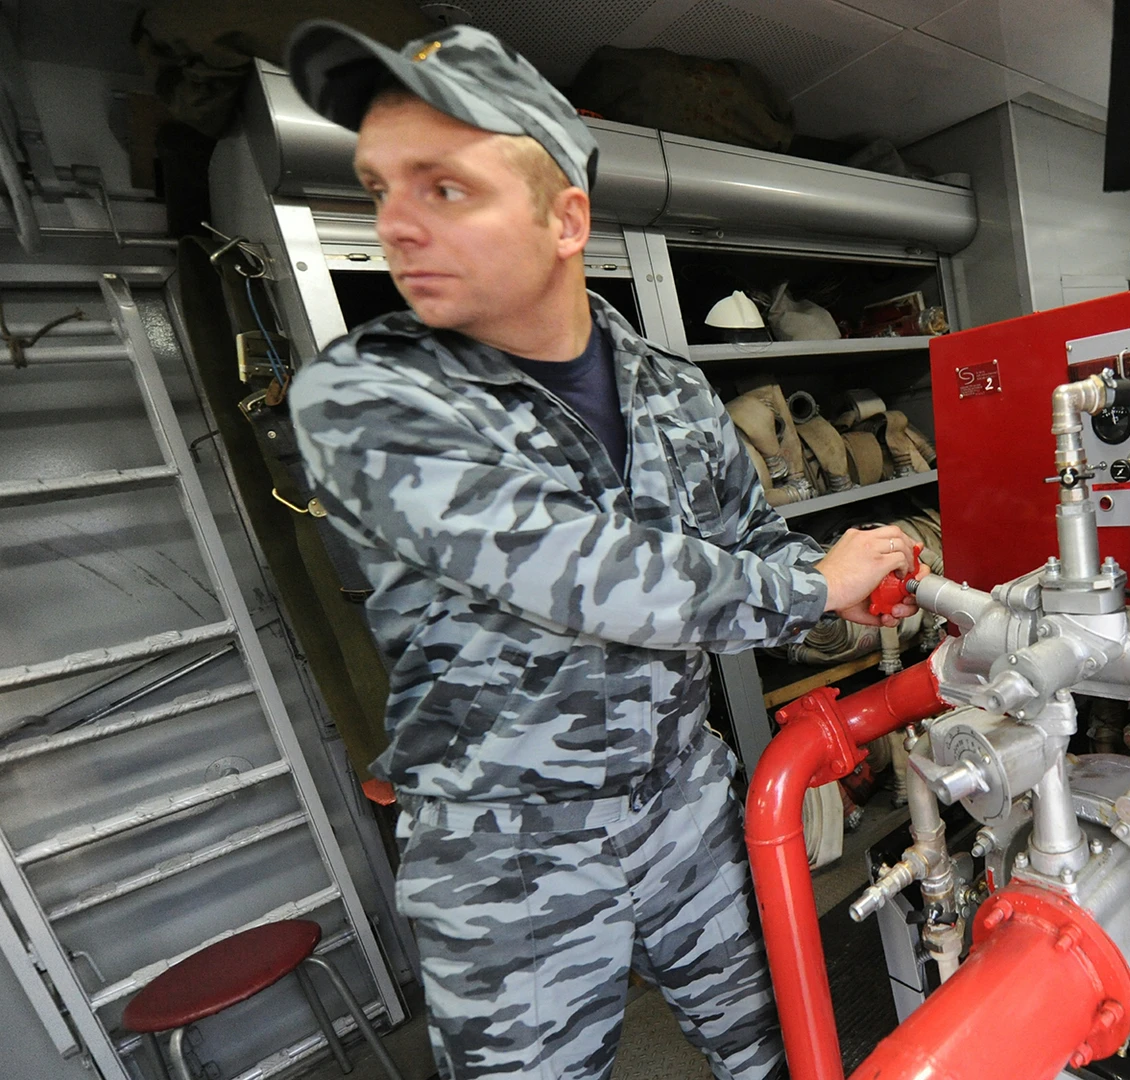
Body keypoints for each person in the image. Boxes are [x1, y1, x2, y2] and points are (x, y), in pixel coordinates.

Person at [283, 21, 923, 1080]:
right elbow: (579, 572)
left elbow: (751, 545)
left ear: (565, 216)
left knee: (782, 1045)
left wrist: (842, 607)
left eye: (444, 189)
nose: (395, 224)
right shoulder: (364, 398)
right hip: (505, 853)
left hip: (687, 807)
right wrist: (809, 586)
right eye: (377, 186)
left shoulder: (673, 392)